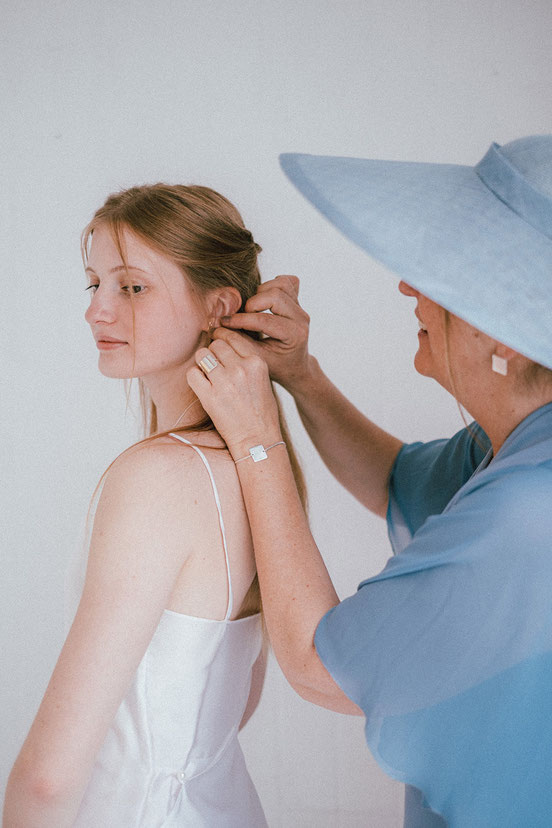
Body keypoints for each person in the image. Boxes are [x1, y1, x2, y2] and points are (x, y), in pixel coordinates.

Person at [186, 135, 552, 827]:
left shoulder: (531, 508)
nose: (409, 286)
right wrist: (300, 376)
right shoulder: (520, 442)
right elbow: (396, 479)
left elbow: (317, 665)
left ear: (503, 329)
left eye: (441, 274)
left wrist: (259, 441)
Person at [3, 184, 305, 827]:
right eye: (94, 285)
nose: (97, 310)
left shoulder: (157, 478)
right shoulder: (258, 470)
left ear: (217, 307)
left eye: (132, 287)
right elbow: (234, 706)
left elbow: (49, 779)